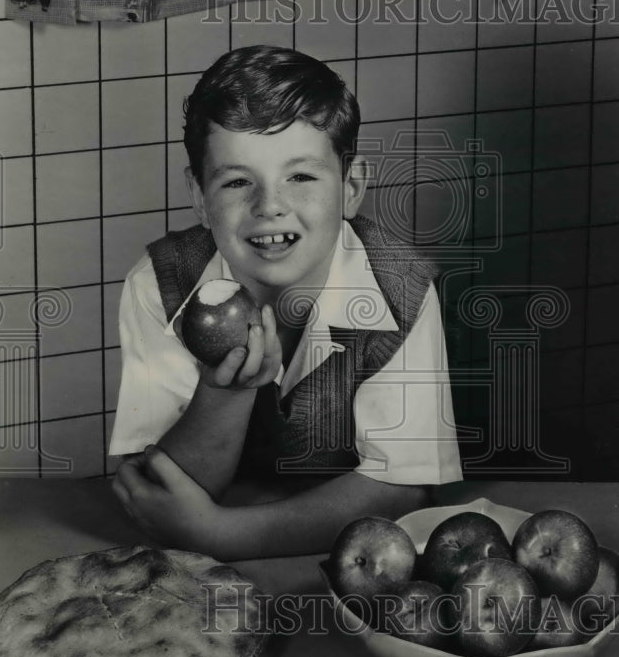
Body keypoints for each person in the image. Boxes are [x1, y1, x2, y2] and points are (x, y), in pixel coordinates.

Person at [110, 45, 462, 558]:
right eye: (236, 181)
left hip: (339, 566)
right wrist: (224, 392)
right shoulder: (160, 287)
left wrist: (220, 535)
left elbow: (403, 488)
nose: (270, 207)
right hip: (192, 569)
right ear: (199, 198)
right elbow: (156, 492)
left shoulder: (400, 289)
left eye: (301, 177)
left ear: (351, 186)